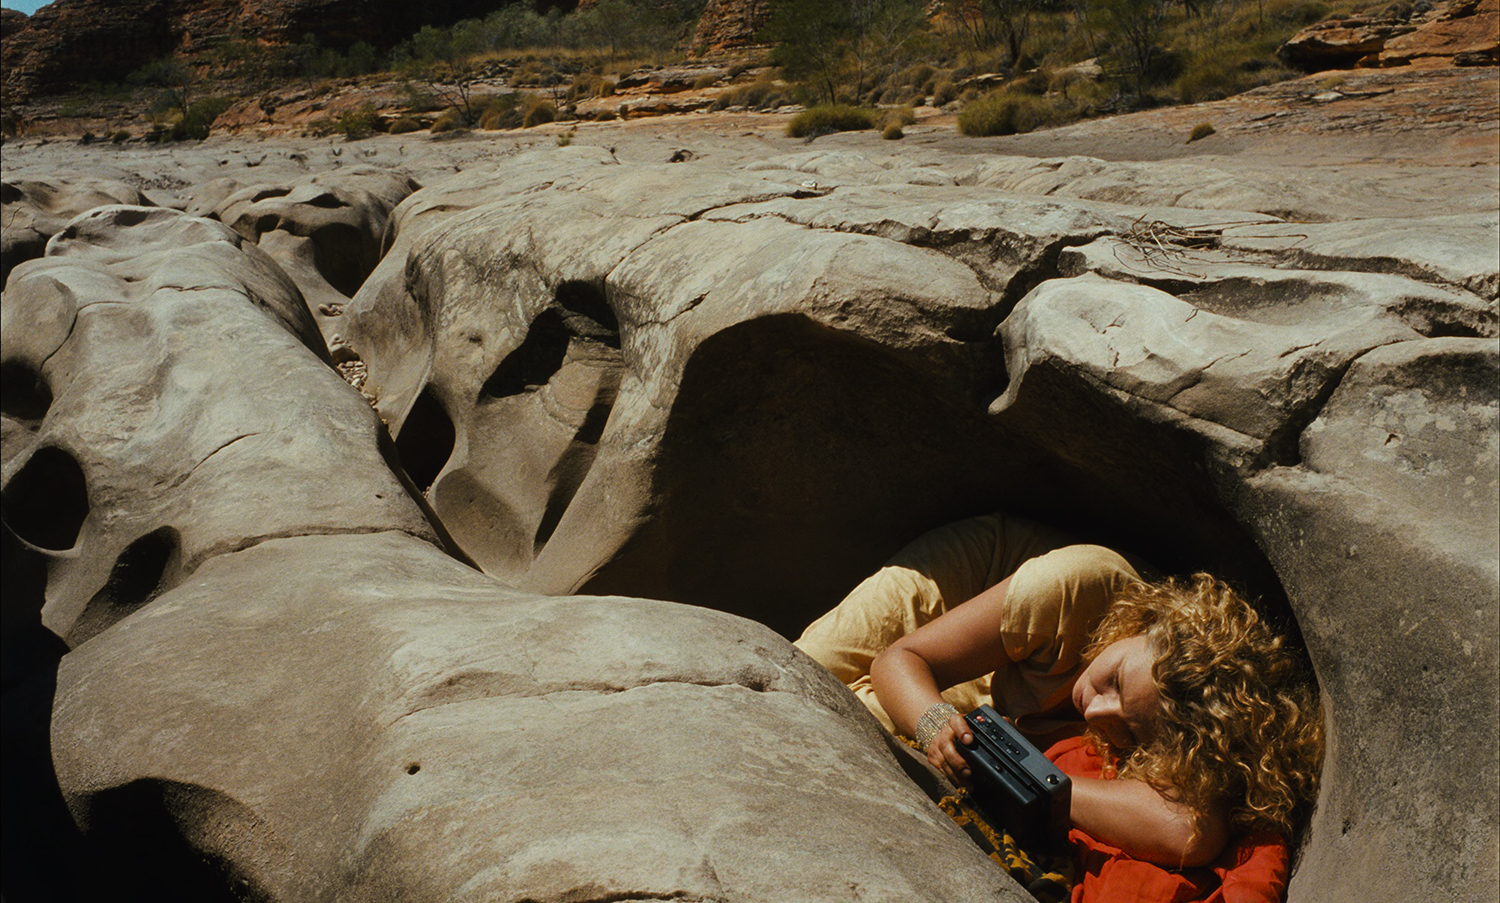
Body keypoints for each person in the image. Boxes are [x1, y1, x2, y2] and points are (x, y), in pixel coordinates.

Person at [795, 511, 1324, 875]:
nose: (1095, 709)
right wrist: (932, 721)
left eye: (1131, 727)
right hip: (968, 595)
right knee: (799, 675)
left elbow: (1190, 833)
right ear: (1143, 626)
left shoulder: (1197, 726)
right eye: (1114, 680)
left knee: (845, 733)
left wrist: (1044, 786)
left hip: (1004, 693)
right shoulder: (1078, 584)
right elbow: (901, 661)